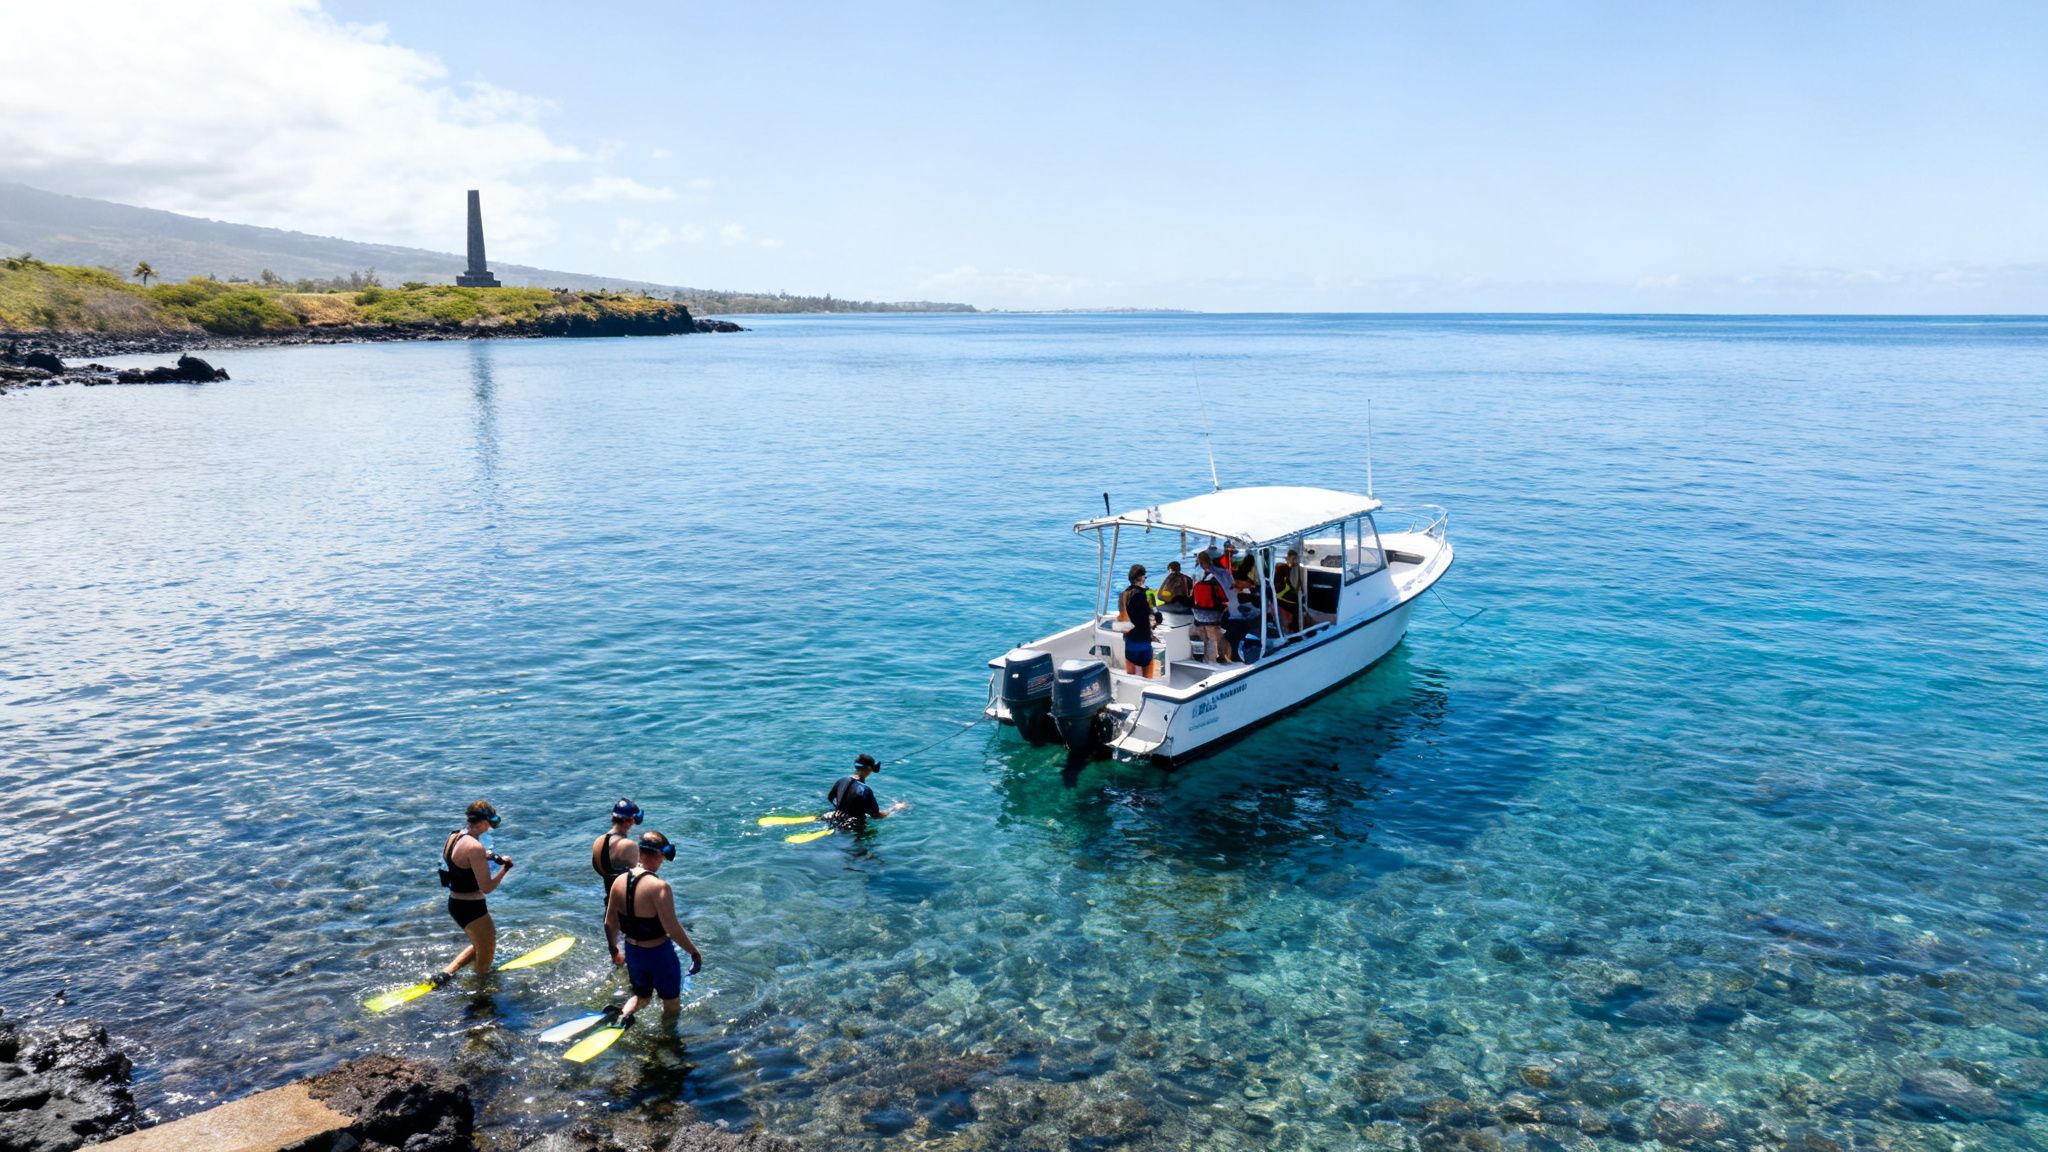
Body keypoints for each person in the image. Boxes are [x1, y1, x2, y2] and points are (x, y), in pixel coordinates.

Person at [603, 830, 702, 1028]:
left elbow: (609, 923)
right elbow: (672, 929)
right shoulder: (659, 887)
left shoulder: (618, 882)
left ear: (640, 852)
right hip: (659, 955)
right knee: (672, 1004)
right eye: (663, 858)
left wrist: (614, 950)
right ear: (658, 855)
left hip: (633, 953)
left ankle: (624, 1014)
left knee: (642, 996)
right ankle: (668, 1041)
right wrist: (694, 953)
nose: (662, 862)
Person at [438, 800, 514, 982]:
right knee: (486, 954)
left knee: (480, 943)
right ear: (482, 822)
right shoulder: (475, 848)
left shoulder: (455, 837)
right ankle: (478, 991)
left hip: (455, 904)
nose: (490, 828)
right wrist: (505, 869)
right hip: (472, 908)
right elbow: (487, 887)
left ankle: (445, 974)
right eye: (489, 823)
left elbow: (460, 860)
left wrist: (489, 856)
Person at [591, 798, 643, 942]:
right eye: (634, 819)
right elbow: (638, 878)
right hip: (627, 910)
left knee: (616, 951)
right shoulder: (628, 845)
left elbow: (599, 869)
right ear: (629, 821)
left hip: (609, 906)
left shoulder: (599, 841)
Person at [826, 753, 908, 832]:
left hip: (835, 817)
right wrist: (895, 809)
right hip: (853, 826)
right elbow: (876, 816)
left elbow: (830, 798)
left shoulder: (842, 780)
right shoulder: (865, 790)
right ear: (869, 769)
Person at [1190, 551, 1234, 665]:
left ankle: (1203, 658)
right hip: (1213, 614)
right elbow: (1227, 595)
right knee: (1217, 635)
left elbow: (1192, 595)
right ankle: (1222, 658)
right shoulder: (1222, 573)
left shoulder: (1197, 576)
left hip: (1198, 614)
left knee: (1202, 634)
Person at [1119, 564, 1162, 676]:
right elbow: (1158, 617)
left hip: (1129, 639)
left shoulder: (1123, 594)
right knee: (1147, 673)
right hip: (1143, 638)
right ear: (1142, 577)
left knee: (1131, 672)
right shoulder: (1148, 594)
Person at [1272, 548, 1304, 634]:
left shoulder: (1295, 568)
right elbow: (1278, 584)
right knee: (1298, 604)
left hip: (1289, 593)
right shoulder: (1281, 568)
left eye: (1295, 559)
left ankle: (1295, 627)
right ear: (1288, 558)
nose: (1294, 561)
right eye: (1292, 559)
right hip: (1282, 594)